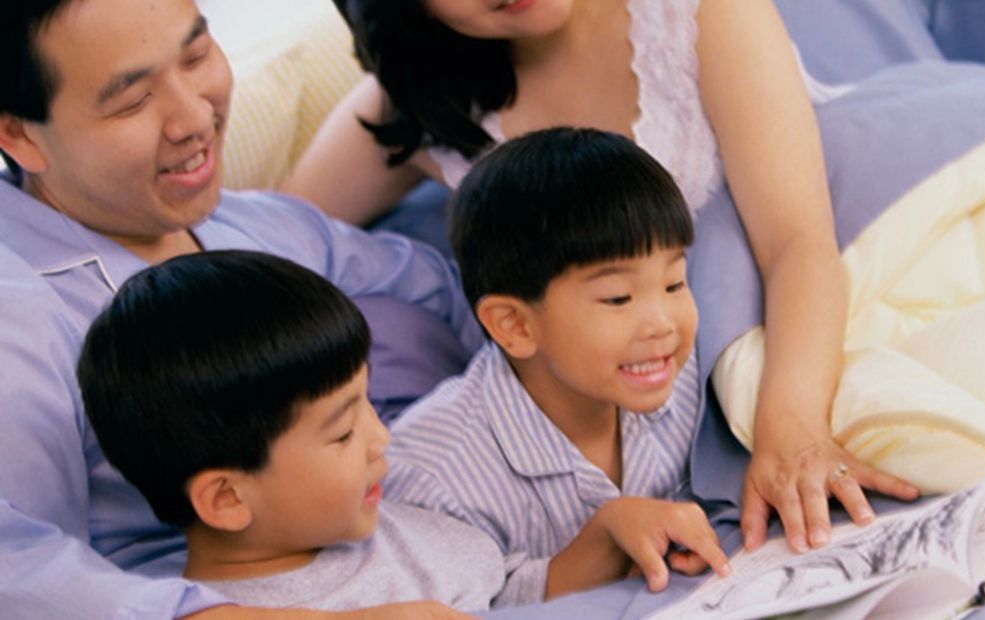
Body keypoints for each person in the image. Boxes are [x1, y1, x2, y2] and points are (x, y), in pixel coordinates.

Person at [284, 0, 920, 556]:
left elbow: (797, 241)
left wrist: (794, 429)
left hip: (796, 313)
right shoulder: (422, 91)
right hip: (616, 407)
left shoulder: (694, 15)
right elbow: (264, 233)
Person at [0, 0, 477, 617]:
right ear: (16, 134)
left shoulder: (251, 223)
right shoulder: (21, 318)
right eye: (133, 100)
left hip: (424, 543)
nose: (195, 116)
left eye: (196, 55)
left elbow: (439, 288)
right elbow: (17, 560)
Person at [77, 250, 532, 612]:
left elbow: (513, 587)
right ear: (227, 499)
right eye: (342, 434)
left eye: (367, 406)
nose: (381, 438)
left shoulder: (394, 525)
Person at [385, 128, 731, 600]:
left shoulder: (687, 373)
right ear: (515, 325)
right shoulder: (434, 476)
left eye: (673, 284)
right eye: (617, 298)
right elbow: (470, 605)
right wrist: (604, 538)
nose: (662, 323)